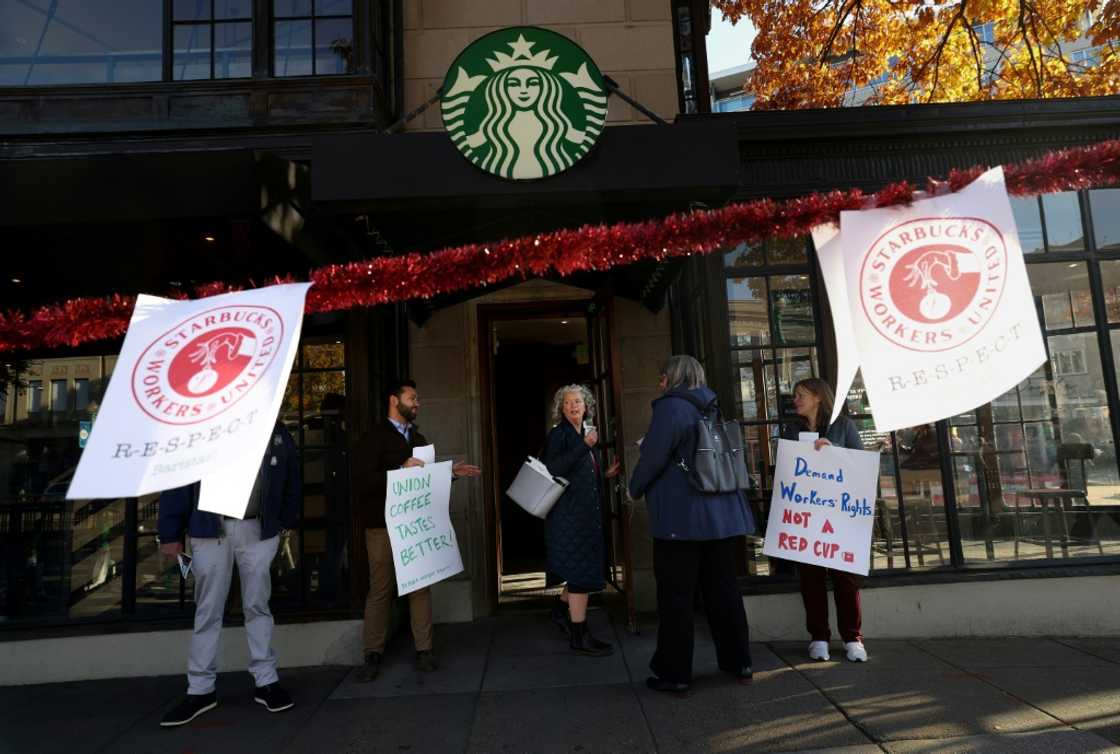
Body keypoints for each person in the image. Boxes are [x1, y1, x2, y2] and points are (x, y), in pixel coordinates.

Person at [157, 420, 301, 727]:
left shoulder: (272, 426)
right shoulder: (200, 423)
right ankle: (200, 689)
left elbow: (291, 474)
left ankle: (266, 681)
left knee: (258, 605)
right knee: (208, 609)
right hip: (211, 529)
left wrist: (285, 519)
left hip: (257, 528)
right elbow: (179, 476)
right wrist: (170, 531)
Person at [628, 355, 756, 693]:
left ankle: (675, 673)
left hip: (681, 520)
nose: (659, 383)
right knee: (724, 592)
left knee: (676, 598)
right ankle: (739, 660)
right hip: (723, 516)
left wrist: (633, 486)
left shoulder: (671, 408)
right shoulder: (711, 406)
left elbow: (654, 457)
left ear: (673, 377)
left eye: (662, 376)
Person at [352, 379, 480, 682]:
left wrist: (450, 472)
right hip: (382, 526)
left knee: (420, 586)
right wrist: (398, 473)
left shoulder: (419, 438)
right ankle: (373, 653)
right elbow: (363, 481)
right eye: (412, 398)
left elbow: (425, 480)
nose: (417, 403)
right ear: (394, 400)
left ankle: (424, 650)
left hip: (415, 525)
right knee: (381, 588)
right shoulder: (374, 436)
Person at [781, 377, 868, 663]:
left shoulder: (843, 426)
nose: (796, 400)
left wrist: (835, 453)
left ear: (818, 397)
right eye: (796, 395)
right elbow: (784, 470)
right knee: (811, 578)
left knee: (845, 578)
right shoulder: (792, 429)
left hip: (839, 513)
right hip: (807, 515)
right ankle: (818, 637)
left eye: (801, 394)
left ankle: (852, 638)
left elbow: (862, 467)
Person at [542, 384, 620, 656]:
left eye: (578, 402)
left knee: (582, 571)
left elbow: (579, 475)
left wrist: (604, 474)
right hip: (569, 517)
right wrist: (583, 447)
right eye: (567, 403)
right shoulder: (559, 435)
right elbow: (553, 469)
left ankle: (560, 612)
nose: (573, 406)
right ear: (561, 410)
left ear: (586, 406)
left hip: (584, 516)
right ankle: (579, 636)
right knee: (580, 577)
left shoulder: (584, 433)